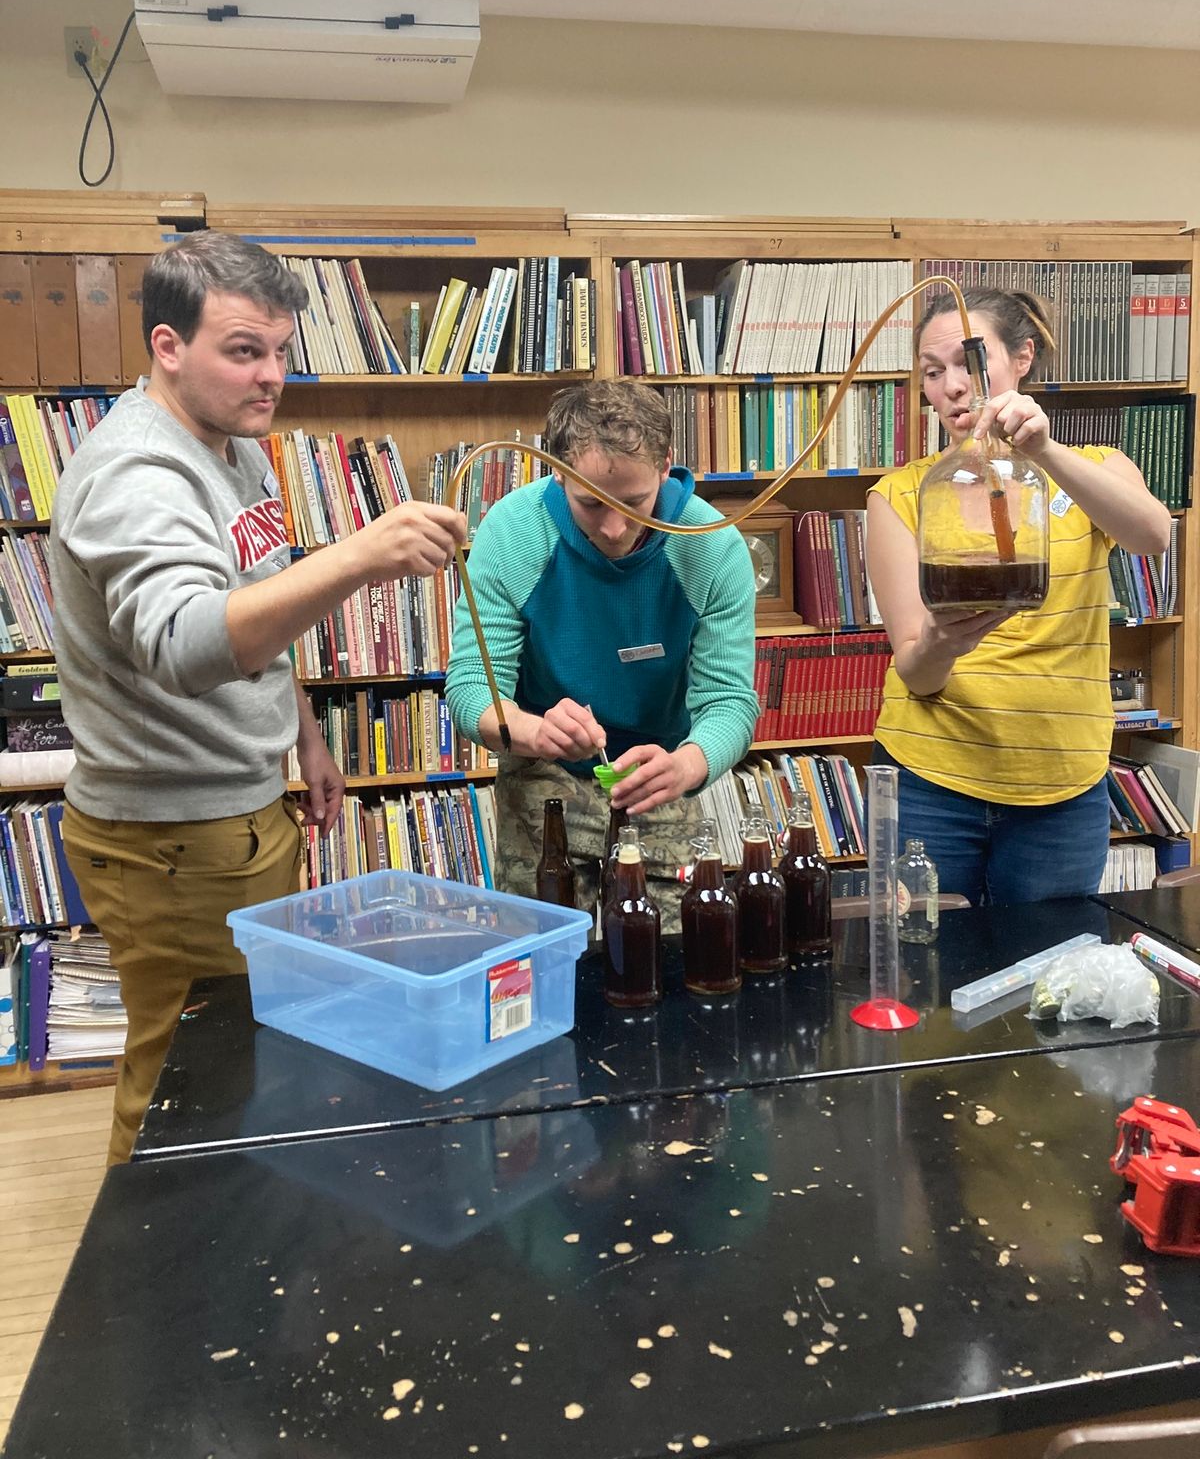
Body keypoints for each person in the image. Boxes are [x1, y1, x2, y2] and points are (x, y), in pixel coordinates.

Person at [49, 230, 467, 1162]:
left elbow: (254, 607)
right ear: (168, 346)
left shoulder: (226, 441)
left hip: (237, 810)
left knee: (236, 1057)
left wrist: (304, 737)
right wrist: (357, 555)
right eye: (245, 351)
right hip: (172, 837)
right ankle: (152, 1282)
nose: (271, 375)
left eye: (280, 351)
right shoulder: (136, 472)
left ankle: (219, 1255)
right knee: (180, 1080)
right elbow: (188, 644)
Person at [866, 287, 1171, 906]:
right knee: (925, 975)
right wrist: (943, 641)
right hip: (931, 780)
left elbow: (1154, 535)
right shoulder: (900, 495)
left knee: (1047, 978)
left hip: (1061, 788)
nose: (951, 386)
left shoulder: (1093, 466)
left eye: (968, 361)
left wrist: (1043, 452)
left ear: (1022, 358)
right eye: (932, 371)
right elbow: (917, 674)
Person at [445, 379, 759, 928]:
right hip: (544, 773)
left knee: (664, 959)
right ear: (557, 473)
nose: (614, 529)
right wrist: (532, 731)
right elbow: (472, 686)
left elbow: (729, 701)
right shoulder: (514, 532)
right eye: (591, 504)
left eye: (634, 503)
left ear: (666, 466)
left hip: (659, 771)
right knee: (541, 960)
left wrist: (688, 765)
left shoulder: (711, 545)